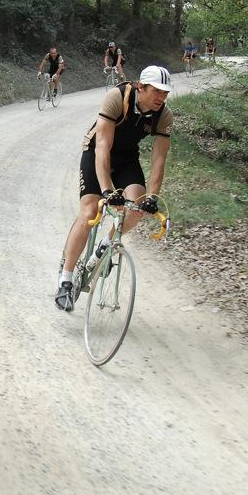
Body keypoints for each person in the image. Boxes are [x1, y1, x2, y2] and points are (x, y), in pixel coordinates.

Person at [55, 65, 173, 311]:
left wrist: (152, 196)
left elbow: (159, 159)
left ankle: (105, 246)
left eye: (165, 93)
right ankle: (65, 279)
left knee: (137, 207)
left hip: (127, 158)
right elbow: (102, 146)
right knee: (89, 211)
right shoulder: (118, 97)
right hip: (96, 152)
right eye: (157, 92)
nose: (161, 98)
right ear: (141, 87)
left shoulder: (164, 115)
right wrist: (108, 190)